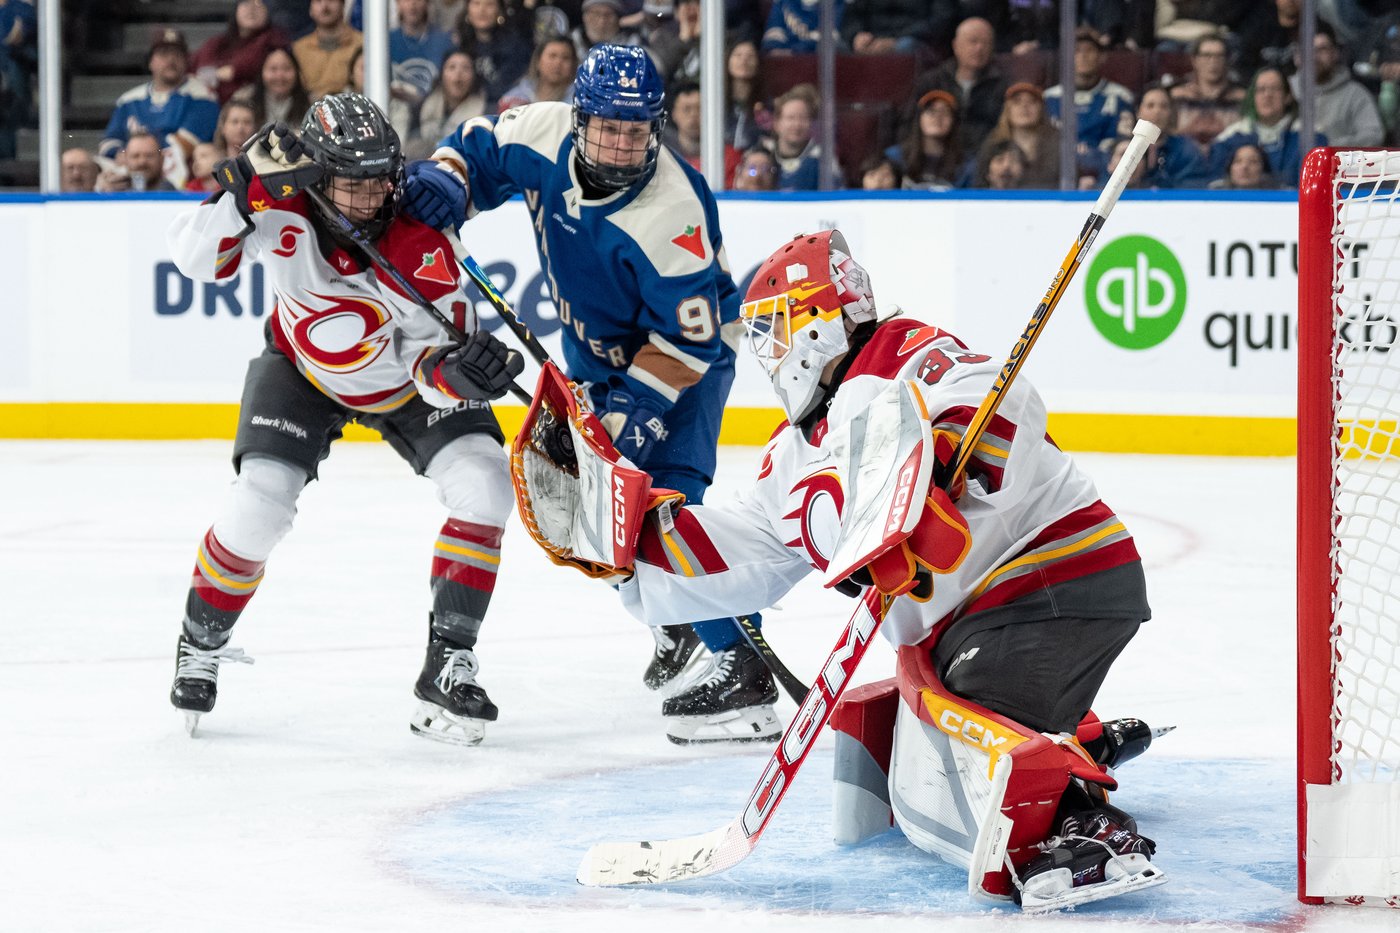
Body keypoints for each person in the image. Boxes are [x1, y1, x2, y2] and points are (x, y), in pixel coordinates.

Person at [517, 228, 1161, 911]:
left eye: (773, 329)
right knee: (936, 717)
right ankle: (1077, 736)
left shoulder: (909, 355)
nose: (766, 351)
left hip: (1057, 578)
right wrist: (629, 539)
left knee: (966, 727)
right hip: (972, 620)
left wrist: (942, 457)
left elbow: (1007, 403)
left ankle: (1087, 822)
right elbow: (748, 544)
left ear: (821, 323)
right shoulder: (796, 451)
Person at [399, 44, 783, 744]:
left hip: (680, 369)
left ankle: (744, 665)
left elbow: (690, 342)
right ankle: (679, 628)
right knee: (593, 514)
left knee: (662, 514)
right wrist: (449, 182)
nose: (620, 143)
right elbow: (475, 149)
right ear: (580, 119)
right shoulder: (542, 131)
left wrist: (632, 415)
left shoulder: (673, 211)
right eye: (607, 126)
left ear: (655, 129)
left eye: (635, 131)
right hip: (592, 357)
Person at [164, 92, 523, 746]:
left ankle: (448, 660)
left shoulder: (427, 238)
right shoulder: (279, 205)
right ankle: (201, 638)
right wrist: (238, 190)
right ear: (316, 174)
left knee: (487, 486)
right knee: (259, 505)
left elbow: (431, 355)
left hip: (402, 386)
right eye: (351, 185)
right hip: (301, 371)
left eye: (380, 181)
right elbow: (193, 261)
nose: (370, 199)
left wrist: (455, 372)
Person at [100, 28, 221, 160]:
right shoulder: (128, 100)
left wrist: (134, 157)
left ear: (186, 61)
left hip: (180, 175)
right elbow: (109, 143)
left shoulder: (203, 97)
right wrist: (122, 155)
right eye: (164, 54)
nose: (171, 59)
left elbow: (183, 147)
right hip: (131, 172)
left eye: (177, 54)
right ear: (150, 62)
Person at [1043, 27, 1135, 182]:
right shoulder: (1049, 98)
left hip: (1106, 177)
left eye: (1090, 50)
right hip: (1057, 176)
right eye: (1077, 51)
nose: (1083, 56)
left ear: (1102, 56)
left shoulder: (1121, 96)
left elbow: (1123, 142)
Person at [1211, 65, 1322, 187]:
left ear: (1287, 96)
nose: (1267, 95)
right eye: (1261, 89)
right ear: (1253, 97)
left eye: (1274, 89)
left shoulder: (1310, 137)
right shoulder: (1229, 139)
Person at [910, 17, 1007, 153]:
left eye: (986, 43)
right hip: (937, 154)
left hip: (982, 157)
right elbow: (909, 123)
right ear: (955, 46)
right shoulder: (932, 81)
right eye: (973, 41)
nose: (979, 48)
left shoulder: (1003, 85)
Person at [1289, 22, 1383, 149]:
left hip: (1335, 166)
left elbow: (1374, 136)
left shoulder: (1355, 94)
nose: (1314, 57)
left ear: (1335, 53)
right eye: (1308, 50)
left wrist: (1328, 148)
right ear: (1298, 56)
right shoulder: (1286, 91)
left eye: (1322, 49)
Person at [189, 0, 290, 104]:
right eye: (246, 2)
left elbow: (246, 65)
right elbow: (197, 70)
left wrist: (218, 74)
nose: (252, 9)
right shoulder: (217, 42)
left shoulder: (275, 40)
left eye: (259, 3)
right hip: (211, 105)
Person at [400, 50, 489, 157]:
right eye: (452, 67)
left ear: (474, 76)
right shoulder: (422, 107)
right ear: (442, 74)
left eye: (466, 68)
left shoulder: (486, 113)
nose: (458, 74)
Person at [1169, 34, 1245, 157]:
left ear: (1227, 60)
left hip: (1227, 160)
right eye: (1206, 56)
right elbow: (1169, 134)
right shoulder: (1178, 96)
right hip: (1184, 161)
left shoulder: (1240, 98)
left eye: (1219, 56)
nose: (1213, 62)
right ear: (1194, 60)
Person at [978, 82, 1059, 188]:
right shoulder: (993, 144)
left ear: (1041, 109)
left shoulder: (1058, 144)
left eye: (1032, 101)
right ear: (1007, 109)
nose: (1024, 106)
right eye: (1017, 102)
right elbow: (979, 185)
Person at [885, 88, 966, 189]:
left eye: (945, 112)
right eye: (930, 111)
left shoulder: (967, 164)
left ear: (954, 122)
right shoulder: (894, 157)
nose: (937, 117)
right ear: (919, 119)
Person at [765, 82, 840, 190]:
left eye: (803, 118)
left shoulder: (823, 158)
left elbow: (837, 197)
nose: (797, 125)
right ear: (777, 123)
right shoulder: (762, 153)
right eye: (790, 118)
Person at [457, 0, 533, 106]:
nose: (482, 10)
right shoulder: (460, 43)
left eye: (489, 4)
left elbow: (508, 88)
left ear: (500, 11)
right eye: (476, 3)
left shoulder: (515, 45)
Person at [292, 0, 363, 99]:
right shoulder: (299, 49)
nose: (325, 6)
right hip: (309, 110)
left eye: (331, 0)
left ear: (343, 5)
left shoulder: (363, 44)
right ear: (310, 9)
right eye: (318, 1)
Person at [232, 46, 312, 127]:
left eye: (286, 68)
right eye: (273, 69)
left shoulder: (312, 105)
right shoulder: (244, 100)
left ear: (297, 72)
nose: (280, 76)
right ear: (261, 72)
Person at [497, 36, 578, 113]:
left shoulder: (579, 101)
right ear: (538, 61)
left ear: (573, 65)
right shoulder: (514, 98)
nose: (558, 63)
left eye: (566, 58)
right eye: (552, 56)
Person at [1207, 141, 1277, 190]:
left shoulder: (1279, 194)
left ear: (1263, 168)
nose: (1244, 167)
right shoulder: (1216, 191)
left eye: (1253, 161)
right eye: (1238, 161)